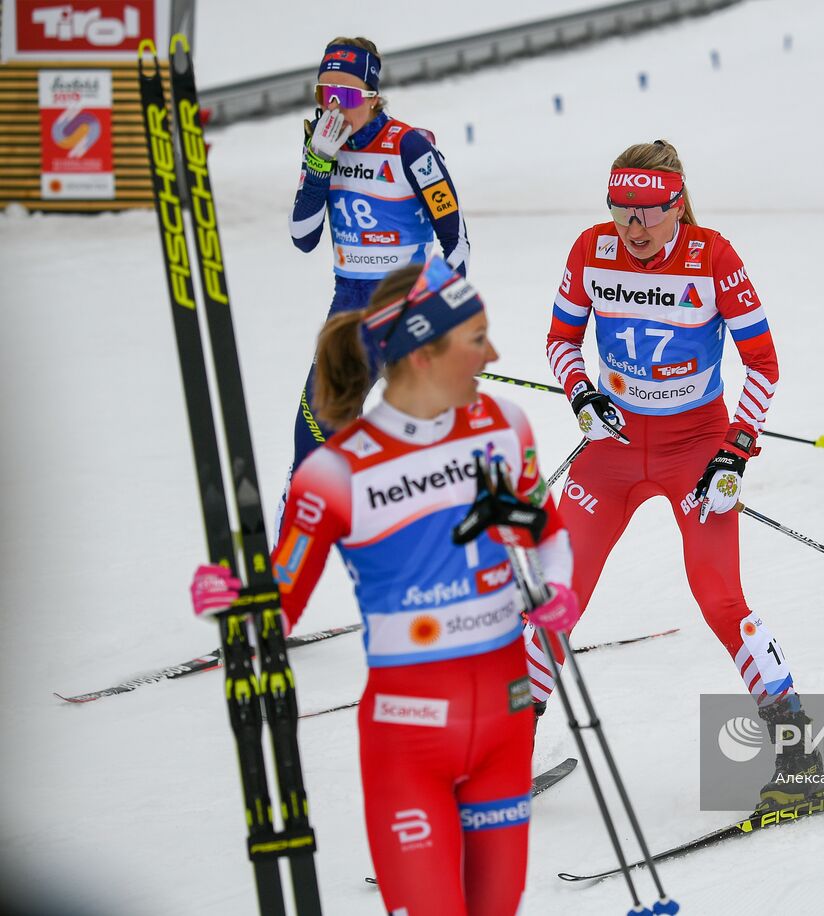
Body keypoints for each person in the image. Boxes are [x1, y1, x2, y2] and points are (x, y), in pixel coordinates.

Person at [190, 259, 578, 916]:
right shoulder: (337, 471)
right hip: (410, 735)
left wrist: (556, 587)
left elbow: (547, 528)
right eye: (477, 338)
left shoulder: (506, 425)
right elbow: (278, 601)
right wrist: (239, 600)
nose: (497, 353)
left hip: (505, 724)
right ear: (424, 351)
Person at [540, 138, 821, 811]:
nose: (631, 228)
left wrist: (735, 450)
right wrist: (582, 391)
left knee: (720, 598)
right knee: (552, 596)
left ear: (675, 205)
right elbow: (559, 340)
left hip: (694, 446)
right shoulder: (590, 250)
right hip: (612, 450)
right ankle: (505, 749)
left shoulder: (712, 256)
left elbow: (764, 365)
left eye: (646, 212)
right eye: (619, 211)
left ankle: (798, 751)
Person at [285, 36, 471, 486]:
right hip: (348, 305)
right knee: (312, 444)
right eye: (322, 96)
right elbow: (303, 237)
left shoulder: (409, 147)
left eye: (344, 98)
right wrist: (318, 166)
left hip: (404, 302)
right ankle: (286, 549)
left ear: (371, 98)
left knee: (426, 453)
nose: (332, 109)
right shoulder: (321, 147)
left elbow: (457, 240)